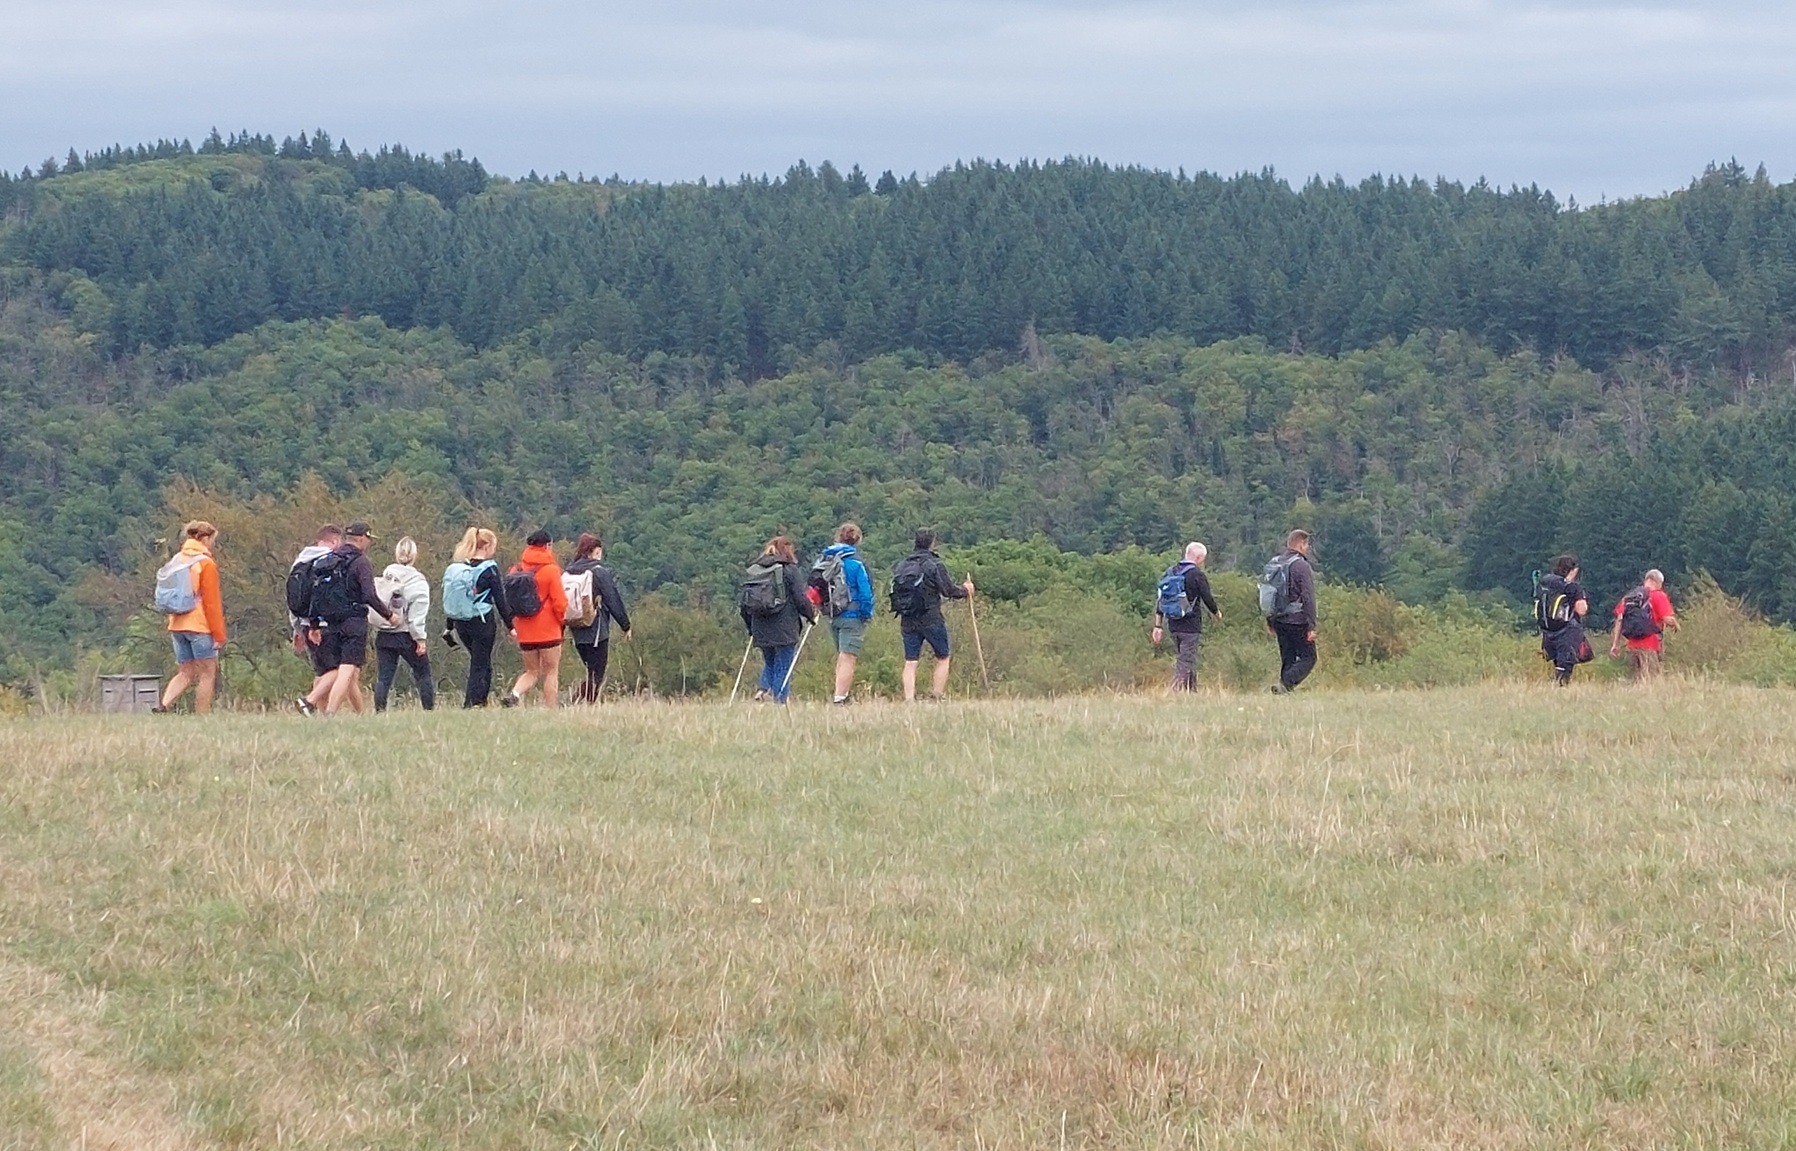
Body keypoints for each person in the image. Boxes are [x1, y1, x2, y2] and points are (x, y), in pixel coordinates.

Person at [297, 522, 396, 716]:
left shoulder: (329, 560)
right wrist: (389, 615)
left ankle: (352, 712)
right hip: (353, 622)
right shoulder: (360, 562)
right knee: (347, 669)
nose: (368, 543)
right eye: (368, 538)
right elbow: (369, 595)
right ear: (361, 538)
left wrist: (314, 625)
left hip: (331, 623)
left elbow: (316, 593)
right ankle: (330, 711)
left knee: (334, 669)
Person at [892, 529, 974, 702]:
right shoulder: (935, 564)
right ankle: (936, 696)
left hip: (908, 618)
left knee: (911, 660)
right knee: (943, 656)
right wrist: (966, 591)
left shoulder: (902, 565)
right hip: (931, 618)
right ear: (932, 543)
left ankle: (909, 699)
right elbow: (948, 591)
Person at [153, 520, 226, 714]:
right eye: (212, 540)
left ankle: (163, 705)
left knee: (185, 672)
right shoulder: (205, 563)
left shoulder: (178, 559)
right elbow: (211, 603)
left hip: (176, 623)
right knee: (207, 673)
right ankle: (201, 714)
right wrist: (219, 634)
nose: (212, 544)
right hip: (199, 625)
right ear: (205, 538)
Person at [441, 527, 514, 708]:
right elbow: (500, 600)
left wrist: (450, 626)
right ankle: (472, 703)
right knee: (480, 664)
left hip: (460, 623)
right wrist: (510, 625)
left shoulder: (459, 568)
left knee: (479, 660)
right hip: (482, 621)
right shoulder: (490, 569)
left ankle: (480, 701)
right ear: (487, 545)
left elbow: (453, 599)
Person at [739, 535, 817, 704]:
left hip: (760, 625)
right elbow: (800, 599)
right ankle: (779, 701)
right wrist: (811, 616)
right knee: (783, 665)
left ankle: (763, 690)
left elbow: (744, 603)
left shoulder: (755, 570)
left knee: (770, 661)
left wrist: (750, 627)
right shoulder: (789, 570)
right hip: (784, 626)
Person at [503, 530, 569, 707]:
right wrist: (562, 620)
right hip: (549, 631)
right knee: (551, 671)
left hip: (525, 631)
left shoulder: (515, 570)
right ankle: (551, 709)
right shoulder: (551, 570)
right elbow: (560, 603)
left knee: (531, 671)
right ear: (547, 545)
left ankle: (515, 693)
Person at [564, 532, 632, 703]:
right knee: (597, 673)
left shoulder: (569, 571)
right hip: (597, 628)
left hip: (576, 627)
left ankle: (579, 703)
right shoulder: (598, 571)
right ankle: (578, 704)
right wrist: (625, 625)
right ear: (595, 551)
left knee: (590, 670)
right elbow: (612, 598)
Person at [813, 523, 875, 704]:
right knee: (848, 656)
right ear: (857, 539)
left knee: (841, 654)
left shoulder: (826, 560)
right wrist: (866, 613)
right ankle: (840, 697)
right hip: (852, 615)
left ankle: (839, 693)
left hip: (832, 614)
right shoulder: (856, 563)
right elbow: (865, 593)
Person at [372, 536, 435, 712]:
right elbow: (417, 614)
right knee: (423, 673)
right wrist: (420, 638)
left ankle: (379, 710)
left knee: (384, 677)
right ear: (414, 555)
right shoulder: (418, 582)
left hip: (384, 633)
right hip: (406, 635)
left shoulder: (386, 578)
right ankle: (428, 710)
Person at [1151, 541, 1223, 691]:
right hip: (1191, 625)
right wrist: (1216, 613)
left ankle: (1191, 691)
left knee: (1188, 658)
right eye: (1203, 558)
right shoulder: (1196, 574)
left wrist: (1158, 626)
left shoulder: (1171, 572)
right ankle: (1174, 691)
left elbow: (1161, 600)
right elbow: (1207, 597)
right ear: (1198, 557)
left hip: (1173, 624)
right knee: (1185, 660)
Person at [288, 524, 341, 698]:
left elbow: (292, 596)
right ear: (334, 541)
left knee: (320, 671)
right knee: (338, 670)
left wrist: (297, 629)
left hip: (303, 623)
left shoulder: (300, 562)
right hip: (322, 624)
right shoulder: (328, 562)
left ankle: (320, 713)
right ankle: (309, 702)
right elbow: (325, 595)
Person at [1264, 529, 1318, 693]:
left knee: (1288, 657)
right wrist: (1311, 625)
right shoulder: (1301, 566)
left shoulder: (1276, 563)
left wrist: (1270, 621)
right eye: (1306, 544)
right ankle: (1285, 684)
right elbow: (1307, 596)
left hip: (1278, 619)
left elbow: (1268, 593)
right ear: (1301, 544)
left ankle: (1283, 691)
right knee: (1309, 657)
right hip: (1297, 620)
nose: (1307, 548)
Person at [1609, 568, 1680, 681]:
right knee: (1652, 680)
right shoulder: (1658, 595)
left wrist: (1615, 644)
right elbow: (1667, 619)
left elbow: (1619, 620)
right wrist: (1676, 624)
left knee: (1635, 680)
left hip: (1632, 646)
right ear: (1655, 581)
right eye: (1661, 583)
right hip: (1650, 645)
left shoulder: (1629, 598)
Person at [1536, 553, 1592, 686]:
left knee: (1557, 662)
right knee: (1565, 665)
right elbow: (1581, 610)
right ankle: (1559, 688)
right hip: (1567, 631)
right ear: (1573, 570)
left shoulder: (1546, 582)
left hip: (1548, 631)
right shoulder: (1571, 587)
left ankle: (1556, 687)